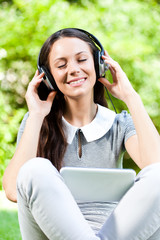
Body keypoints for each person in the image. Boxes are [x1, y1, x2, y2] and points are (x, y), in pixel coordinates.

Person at [2, 28, 160, 240]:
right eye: (61, 65)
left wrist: (131, 97)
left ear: (99, 65)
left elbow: (155, 166)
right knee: (34, 169)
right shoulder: (37, 122)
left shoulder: (119, 124)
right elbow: (13, 190)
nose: (74, 69)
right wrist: (37, 116)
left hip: (117, 233)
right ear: (48, 77)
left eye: (82, 59)